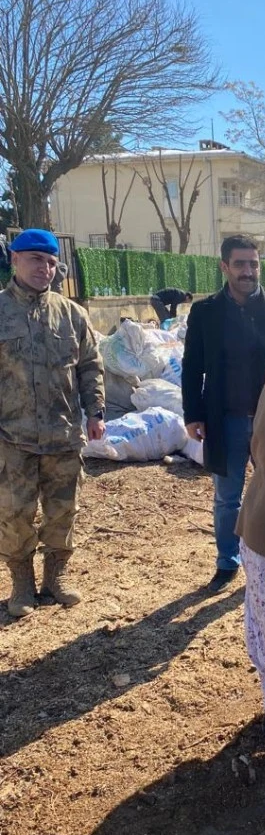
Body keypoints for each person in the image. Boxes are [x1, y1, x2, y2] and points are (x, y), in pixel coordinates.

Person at [0, 229, 105, 617]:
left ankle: (55, 577)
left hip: (63, 435)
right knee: (14, 515)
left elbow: (90, 366)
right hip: (13, 438)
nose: (44, 268)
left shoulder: (72, 314)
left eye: (49, 261)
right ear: (14, 260)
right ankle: (22, 584)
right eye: (34, 259)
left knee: (64, 510)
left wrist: (95, 413)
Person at [182, 235, 265, 593]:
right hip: (226, 419)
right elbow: (192, 365)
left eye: (254, 264)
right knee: (228, 497)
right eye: (240, 264)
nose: (248, 271)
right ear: (224, 267)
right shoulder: (206, 312)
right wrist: (193, 413)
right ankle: (228, 561)